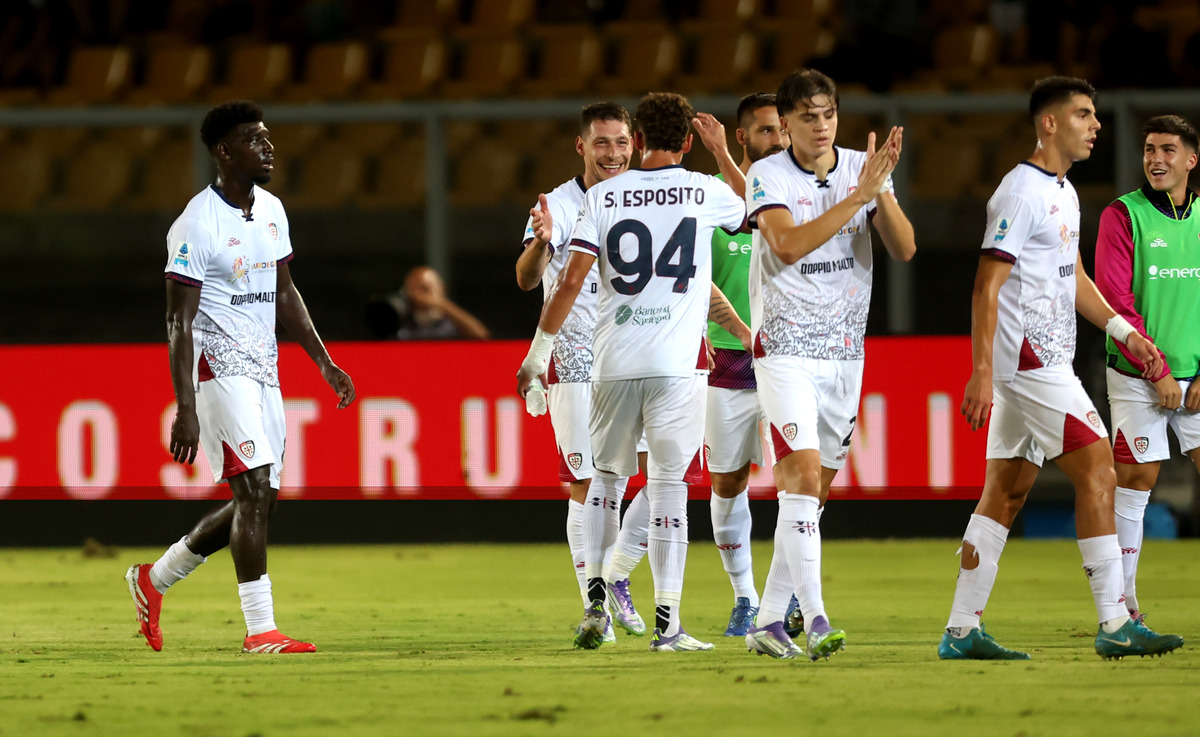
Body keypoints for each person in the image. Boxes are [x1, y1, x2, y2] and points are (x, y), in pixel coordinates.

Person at [940, 77, 1184, 661]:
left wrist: (1128, 334)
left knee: (1005, 491)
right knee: (1099, 468)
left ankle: (960, 630)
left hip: (1041, 360)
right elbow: (985, 286)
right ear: (1049, 124)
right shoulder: (1021, 192)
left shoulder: (1064, 191)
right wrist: (980, 370)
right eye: (1083, 114)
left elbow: (1072, 277)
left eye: (1095, 114)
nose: (1095, 124)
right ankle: (1114, 621)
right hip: (1029, 363)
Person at [518, 92, 748, 652]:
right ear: (689, 141)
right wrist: (722, 152)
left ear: (638, 140)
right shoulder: (704, 190)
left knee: (604, 483)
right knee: (670, 488)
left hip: (612, 364)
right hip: (676, 367)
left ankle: (596, 602)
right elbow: (751, 208)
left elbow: (570, 282)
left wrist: (535, 355)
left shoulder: (604, 196)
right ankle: (668, 624)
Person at [126, 100, 356, 654]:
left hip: (264, 368)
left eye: (268, 137)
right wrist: (184, 406)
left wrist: (323, 360)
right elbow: (177, 320)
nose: (269, 147)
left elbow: (283, 292)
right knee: (252, 490)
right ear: (224, 152)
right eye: (255, 140)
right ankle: (261, 631)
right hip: (217, 367)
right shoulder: (196, 224)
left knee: (261, 497)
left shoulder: (272, 209)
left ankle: (153, 580)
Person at [743, 68, 915, 661]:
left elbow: (904, 247)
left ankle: (767, 621)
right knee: (803, 477)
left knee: (813, 498)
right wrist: (858, 198)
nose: (821, 126)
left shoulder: (859, 170)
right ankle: (814, 619)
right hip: (786, 349)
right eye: (808, 116)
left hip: (845, 355)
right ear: (785, 123)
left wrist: (880, 191)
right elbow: (786, 246)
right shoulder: (766, 175)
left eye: (829, 114)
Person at [515, 101, 641, 643]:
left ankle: (613, 577)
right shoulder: (557, 205)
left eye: (621, 142)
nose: (612, 153)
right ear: (581, 146)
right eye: (602, 143)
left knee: (647, 482)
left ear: (634, 144)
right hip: (574, 364)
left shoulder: (643, 200)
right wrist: (543, 241)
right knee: (585, 487)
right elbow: (525, 280)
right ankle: (598, 605)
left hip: (636, 358)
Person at [1095, 114, 1200, 624]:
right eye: (1149, 149)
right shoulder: (1123, 215)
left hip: (1197, 376)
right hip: (1139, 375)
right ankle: (1125, 603)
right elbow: (1115, 299)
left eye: (1168, 150)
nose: (1156, 158)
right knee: (1137, 478)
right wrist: (1155, 368)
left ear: (1191, 160)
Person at [394, 265, 490, 340]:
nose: (418, 296)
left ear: (441, 289)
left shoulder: (452, 323)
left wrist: (442, 304)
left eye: (425, 289)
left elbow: (482, 336)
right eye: (412, 290)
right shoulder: (403, 323)